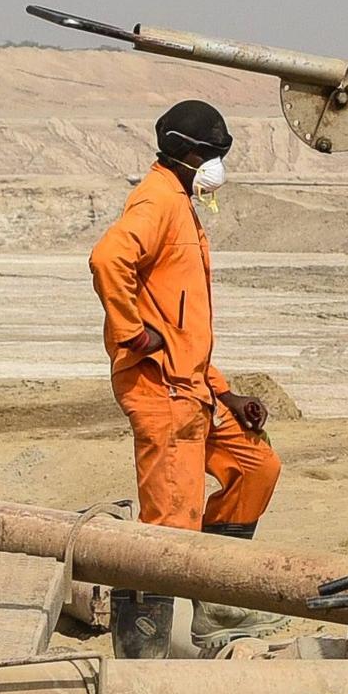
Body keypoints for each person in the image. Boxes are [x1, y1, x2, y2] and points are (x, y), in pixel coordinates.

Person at [90, 99, 279, 545]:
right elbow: (107, 258)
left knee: (257, 468)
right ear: (184, 153)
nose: (215, 167)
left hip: (194, 389)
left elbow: (181, 325)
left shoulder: (179, 202)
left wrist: (224, 393)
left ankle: (212, 589)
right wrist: (132, 334)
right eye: (210, 155)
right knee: (171, 528)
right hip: (163, 391)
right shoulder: (157, 200)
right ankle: (155, 609)